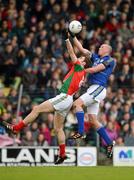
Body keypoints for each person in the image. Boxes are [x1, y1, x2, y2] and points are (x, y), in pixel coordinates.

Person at [0, 35, 87, 164]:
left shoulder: (79, 66)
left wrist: (68, 38)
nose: (80, 58)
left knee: (37, 109)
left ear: (83, 63)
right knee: (58, 129)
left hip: (64, 97)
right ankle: (62, 154)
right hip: (67, 100)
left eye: (82, 58)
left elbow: (71, 52)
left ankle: (16, 128)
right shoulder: (81, 74)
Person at [68, 30, 116, 158]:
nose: (99, 47)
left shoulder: (110, 60)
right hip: (92, 89)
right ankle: (110, 143)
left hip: (99, 88)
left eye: (102, 47)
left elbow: (96, 69)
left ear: (107, 50)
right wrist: (73, 37)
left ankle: (81, 131)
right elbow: (82, 50)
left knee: (77, 104)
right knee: (93, 121)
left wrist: (81, 70)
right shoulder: (96, 58)